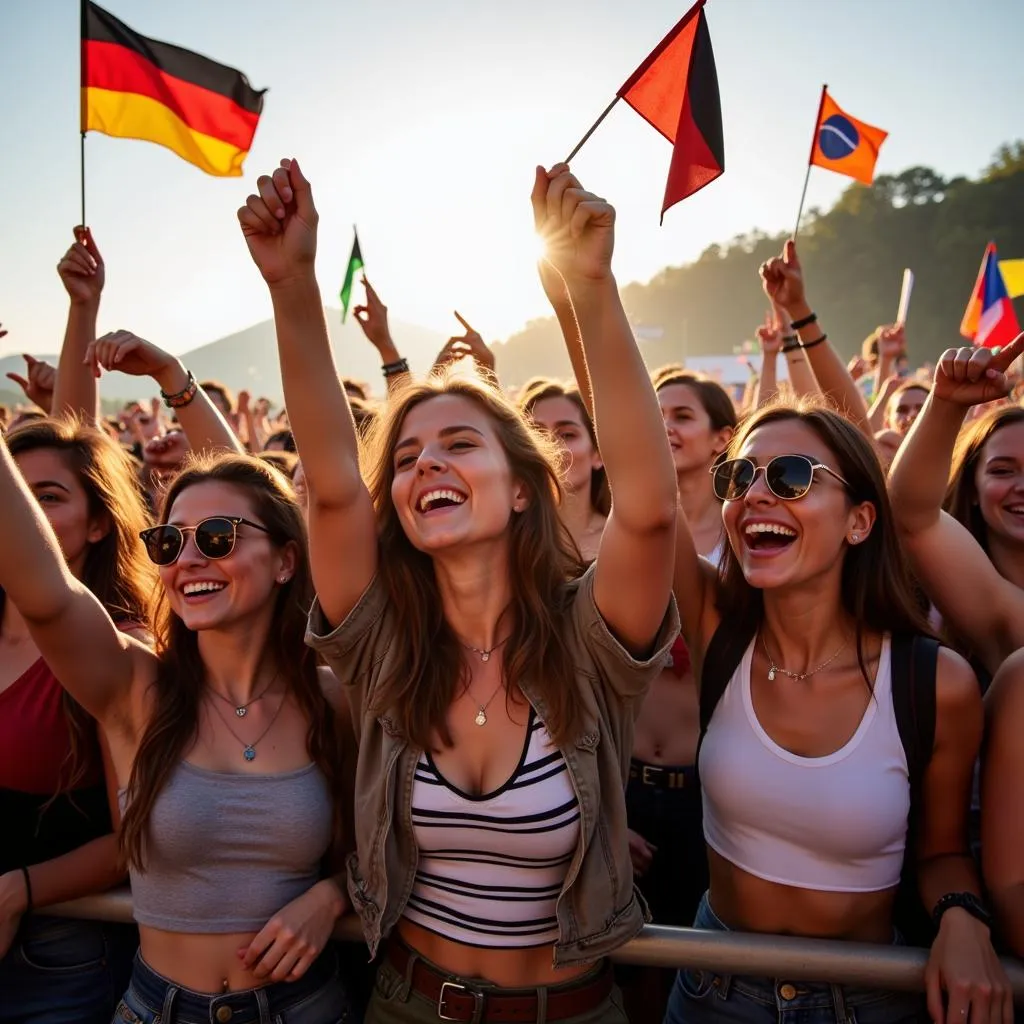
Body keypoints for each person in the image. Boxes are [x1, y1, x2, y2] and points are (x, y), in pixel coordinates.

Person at [239, 156, 678, 1023]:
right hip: (407, 1004)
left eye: (459, 445)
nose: (427, 463)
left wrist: (593, 289)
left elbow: (653, 512)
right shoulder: (383, 649)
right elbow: (330, 487)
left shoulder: (590, 645)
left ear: (523, 486)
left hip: (572, 1010)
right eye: (405, 458)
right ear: (396, 506)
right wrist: (292, 284)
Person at [0, 330, 354, 1023]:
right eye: (169, 541)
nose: (188, 558)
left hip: (304, 1008)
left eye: (217, 538)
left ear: (286, 560)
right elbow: (45, 590)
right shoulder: (137, 688)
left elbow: (377, 856)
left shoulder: (328, 697)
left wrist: (333, 895)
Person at [661, 386, 1009, 1024]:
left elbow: (940, 852)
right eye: (741, 476)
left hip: (869, 996)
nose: (757, 495)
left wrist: (963, 915)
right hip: (716, 991)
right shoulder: (716, 628)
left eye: (792, 477)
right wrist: (589, 296)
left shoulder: (934, 683)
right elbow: (646, 491)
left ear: (860, 521)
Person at [0, 415, 154, 1024]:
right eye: (15, 493)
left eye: (48, 498)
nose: (23, 515)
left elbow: (136, 840)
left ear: (98, 524)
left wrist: (20, 889)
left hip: (59, 955)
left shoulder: (123, 653)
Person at [889, 336, 1024, 682]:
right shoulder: (1002, 614)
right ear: (972, 489)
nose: (1022, 487)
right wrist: (945, 404)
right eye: (1002, 470)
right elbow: (910, 515)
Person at [519, 377, 609, 562]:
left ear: (598, 454)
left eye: (567, 434)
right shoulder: (509, 539)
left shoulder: (625, 538)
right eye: (537, 433)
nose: (551, 445)